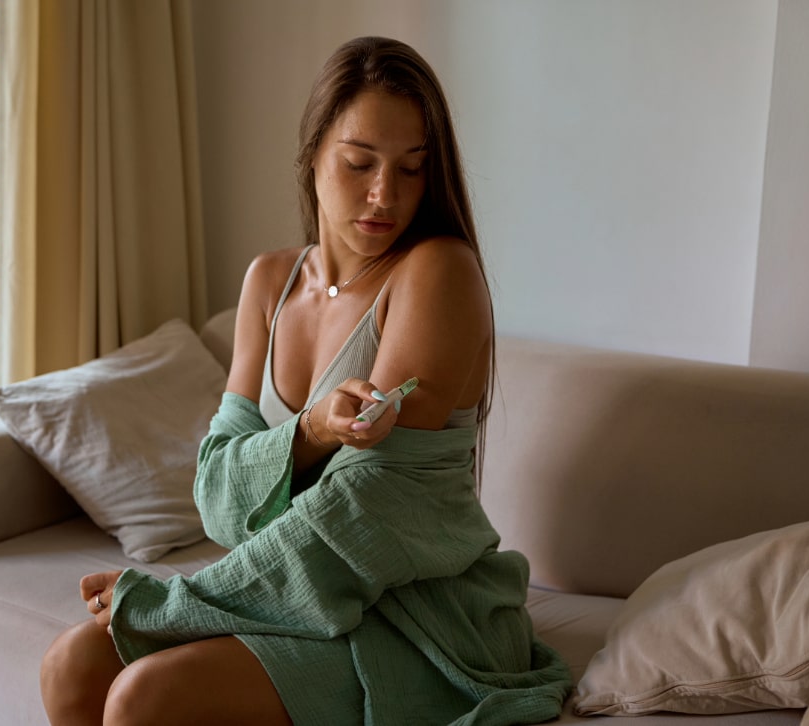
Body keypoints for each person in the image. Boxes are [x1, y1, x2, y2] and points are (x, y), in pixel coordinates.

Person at [40, 36, 571, 725]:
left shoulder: (437, 273)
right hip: (294, 593)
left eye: (412, 170)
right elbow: (217, 498)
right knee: (72, 665)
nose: (385, 194)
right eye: (359, 163)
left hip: (417, 614)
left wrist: (179, 603)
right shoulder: (269, 283)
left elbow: (363, 514)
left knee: (148, 698)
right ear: (313, 153)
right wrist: (313, 430)